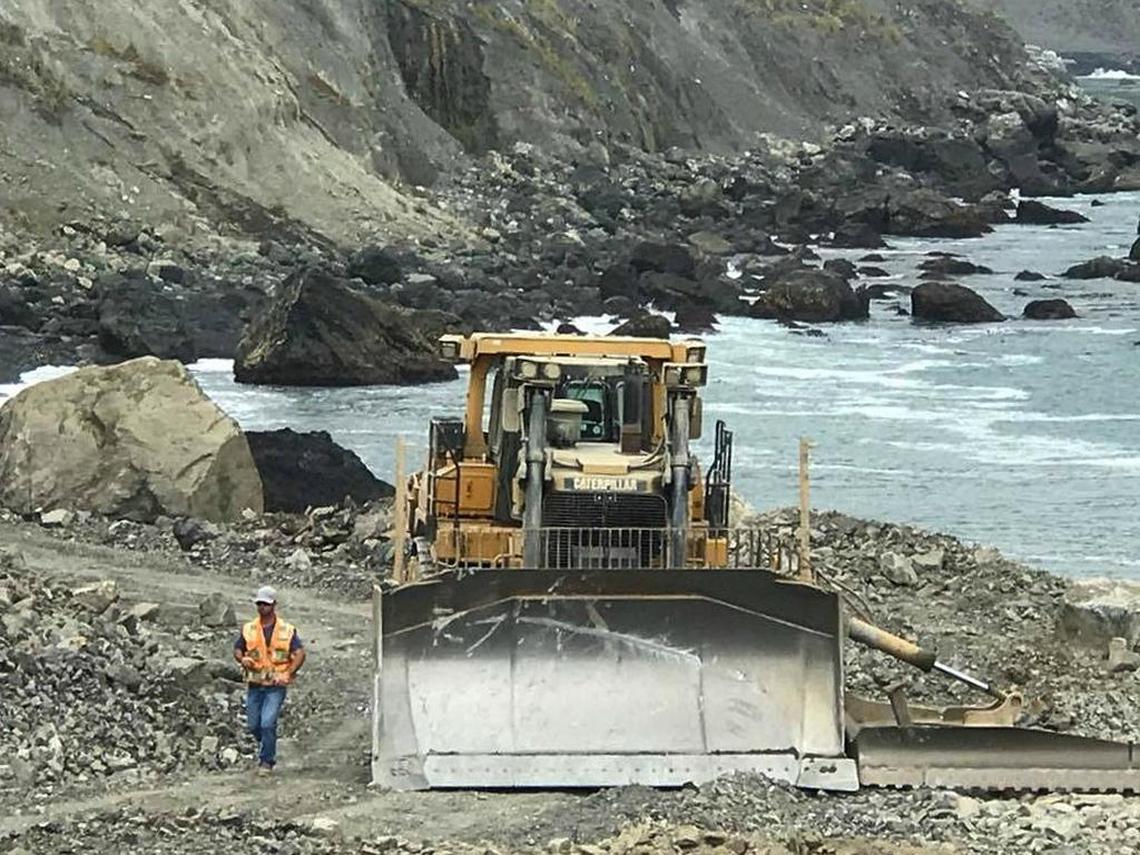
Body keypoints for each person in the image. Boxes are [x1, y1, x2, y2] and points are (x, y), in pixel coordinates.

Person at [233, 585, 306, 775]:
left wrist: (288, 673)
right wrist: (243, 659)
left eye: (265, 604)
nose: (262, 608)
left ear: (274, 605)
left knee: (267, 723)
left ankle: (266, 762)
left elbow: (299, 653)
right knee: (253, 725)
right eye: (259, 604)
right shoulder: (249, 629)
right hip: (255, 684)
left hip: (275, 685)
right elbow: (238, 649)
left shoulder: (286, 630)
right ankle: (267, 743)